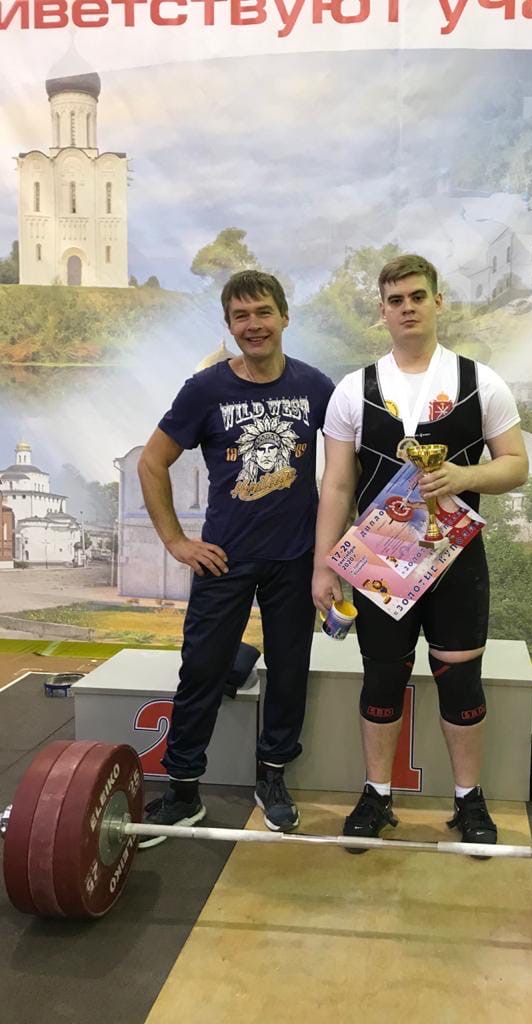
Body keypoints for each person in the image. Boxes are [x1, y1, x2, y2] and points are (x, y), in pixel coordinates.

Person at [312, 253, 528, 849]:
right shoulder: (353, 390)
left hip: (455, 560)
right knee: (382, 678)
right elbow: (336, 486)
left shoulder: (481, 381)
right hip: (381, 558)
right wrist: (323, 566)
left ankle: (468, 800)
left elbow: (516, 465)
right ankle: (376, 795)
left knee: (461, 683)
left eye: (416, 296)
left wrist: (464, 477)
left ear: (438, 301)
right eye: (395, 300)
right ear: (382, 311)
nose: (407, 308)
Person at [137, 270, 334, 845]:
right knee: (201, 669)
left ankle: (272, 778)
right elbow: (151, 462)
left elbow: (349, 462)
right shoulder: (205, 390)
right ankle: (183, 793)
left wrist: (340, 545)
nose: (254, 325)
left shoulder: (316, 386)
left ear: (284, 317)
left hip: (295, 557)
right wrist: (176, 542)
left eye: (263, 312)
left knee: (290, 671)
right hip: (224, 557)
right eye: (241, 316)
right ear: (229, 325)